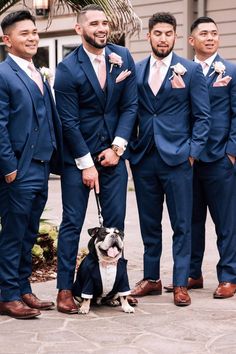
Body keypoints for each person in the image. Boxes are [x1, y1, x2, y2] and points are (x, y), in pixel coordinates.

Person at [54, 4, 138, 314]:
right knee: (72, 223)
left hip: (113, 158)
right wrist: (86, 163)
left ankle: (117, 287)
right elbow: (68, 121)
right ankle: (65, 288)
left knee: (115, 227)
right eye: (94, 23)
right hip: (79, 157)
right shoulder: (67, 68)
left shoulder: (123, 57)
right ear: (79, 29)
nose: (102, 28)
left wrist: (117, 149)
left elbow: (130, 107)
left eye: (105, 22)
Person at [129, 12, 211, 306]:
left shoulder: (190, 71)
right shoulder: (136, 70)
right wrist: (129, 150)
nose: (162, 38)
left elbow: (203, 117)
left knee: (182, 224)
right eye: (157, 33)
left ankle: (180, 283)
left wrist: (192, 153)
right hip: (144, 159)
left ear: (175, 37)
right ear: (148, 36)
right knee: (149, 224)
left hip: (178, 160)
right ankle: (151, 278)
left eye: (167, 33)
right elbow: (131, 112)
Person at [0, 10, 63, 319]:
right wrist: (9, 168)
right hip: (19, 170)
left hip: (41, 167)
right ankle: (7, 295)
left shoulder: (38, 72)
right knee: (13, 233)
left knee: (28, 233)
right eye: (24, 33)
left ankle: (23, 288)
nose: (32, 37)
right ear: (6, 39)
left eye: (34, 32)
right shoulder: (3, 74)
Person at [187, 17, 236, 298]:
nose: (210, 37)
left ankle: (229, 275)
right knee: (191, 220)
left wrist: (231, 153)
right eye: (204, 33)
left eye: (214, 33)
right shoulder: (182, 70)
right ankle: (193, 274)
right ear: (192, 40)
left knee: (226, 221)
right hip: (191, 160)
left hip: (221, 160)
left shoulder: (231, 71)